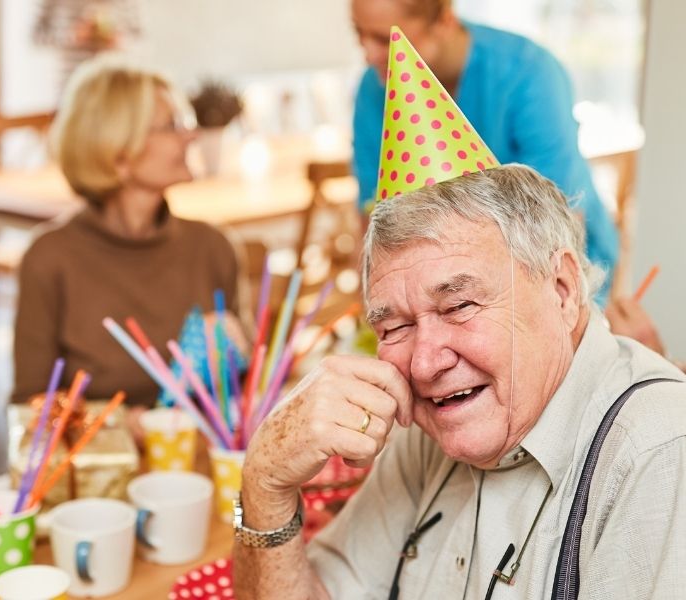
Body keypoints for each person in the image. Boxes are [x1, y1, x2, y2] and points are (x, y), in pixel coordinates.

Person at [232, 164, 686, 598]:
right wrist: (264, 485)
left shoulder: (657, 448)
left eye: (459, 306)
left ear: (562, 290)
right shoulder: (434, 427)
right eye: (394, 328)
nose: (425, 365)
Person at [12, 56, 240, 411]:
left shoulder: (214, 248)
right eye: (171, 125)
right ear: (118, 152)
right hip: (99, 464)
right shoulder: (49, 259)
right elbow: (30, 404)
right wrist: (117, 425)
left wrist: (241, 355)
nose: (192, 135)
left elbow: (243, 395)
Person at [349, 0, 620, 296]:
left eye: (384, 40)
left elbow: (559, 216)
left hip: (551, 268)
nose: (368, 54)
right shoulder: (373, 90)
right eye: (358, 34)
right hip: (443, 282)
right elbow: (373, 209)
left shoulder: (529, 73)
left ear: (444, 20)